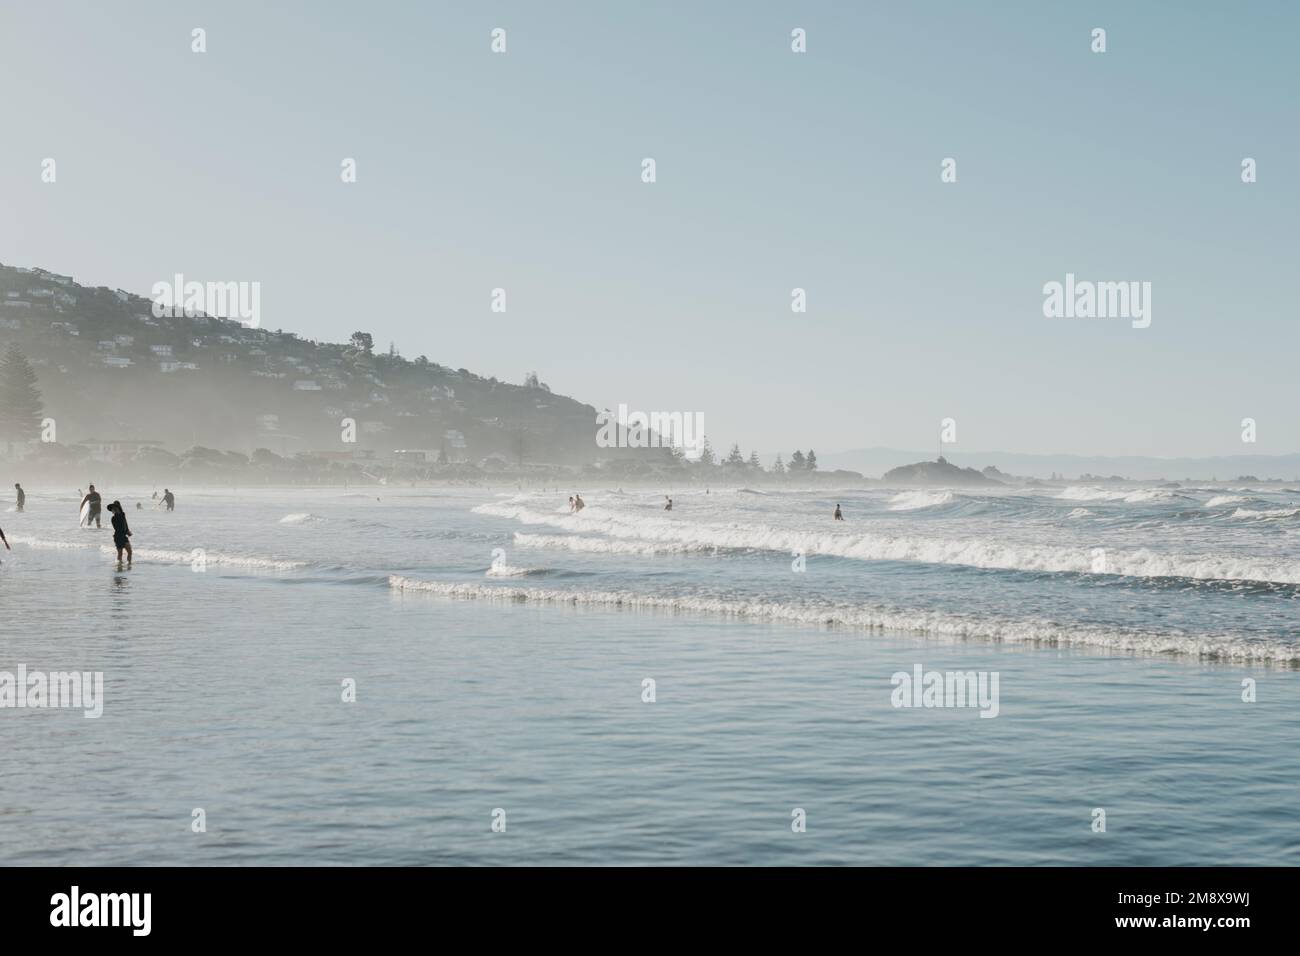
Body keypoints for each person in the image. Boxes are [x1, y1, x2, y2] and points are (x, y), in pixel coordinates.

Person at [107, 501, 132, 566]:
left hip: (123, 536)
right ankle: (119, 565)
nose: (115, 509)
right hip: (118, 537)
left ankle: (129, 564)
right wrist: (126, 531)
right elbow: (118, 528)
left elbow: (125, 523)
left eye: (116, 507)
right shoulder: (113, 518)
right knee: (120, 553)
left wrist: (128, 531)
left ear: (119, 507)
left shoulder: (123, 514)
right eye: (114, 508)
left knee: (130, 551)